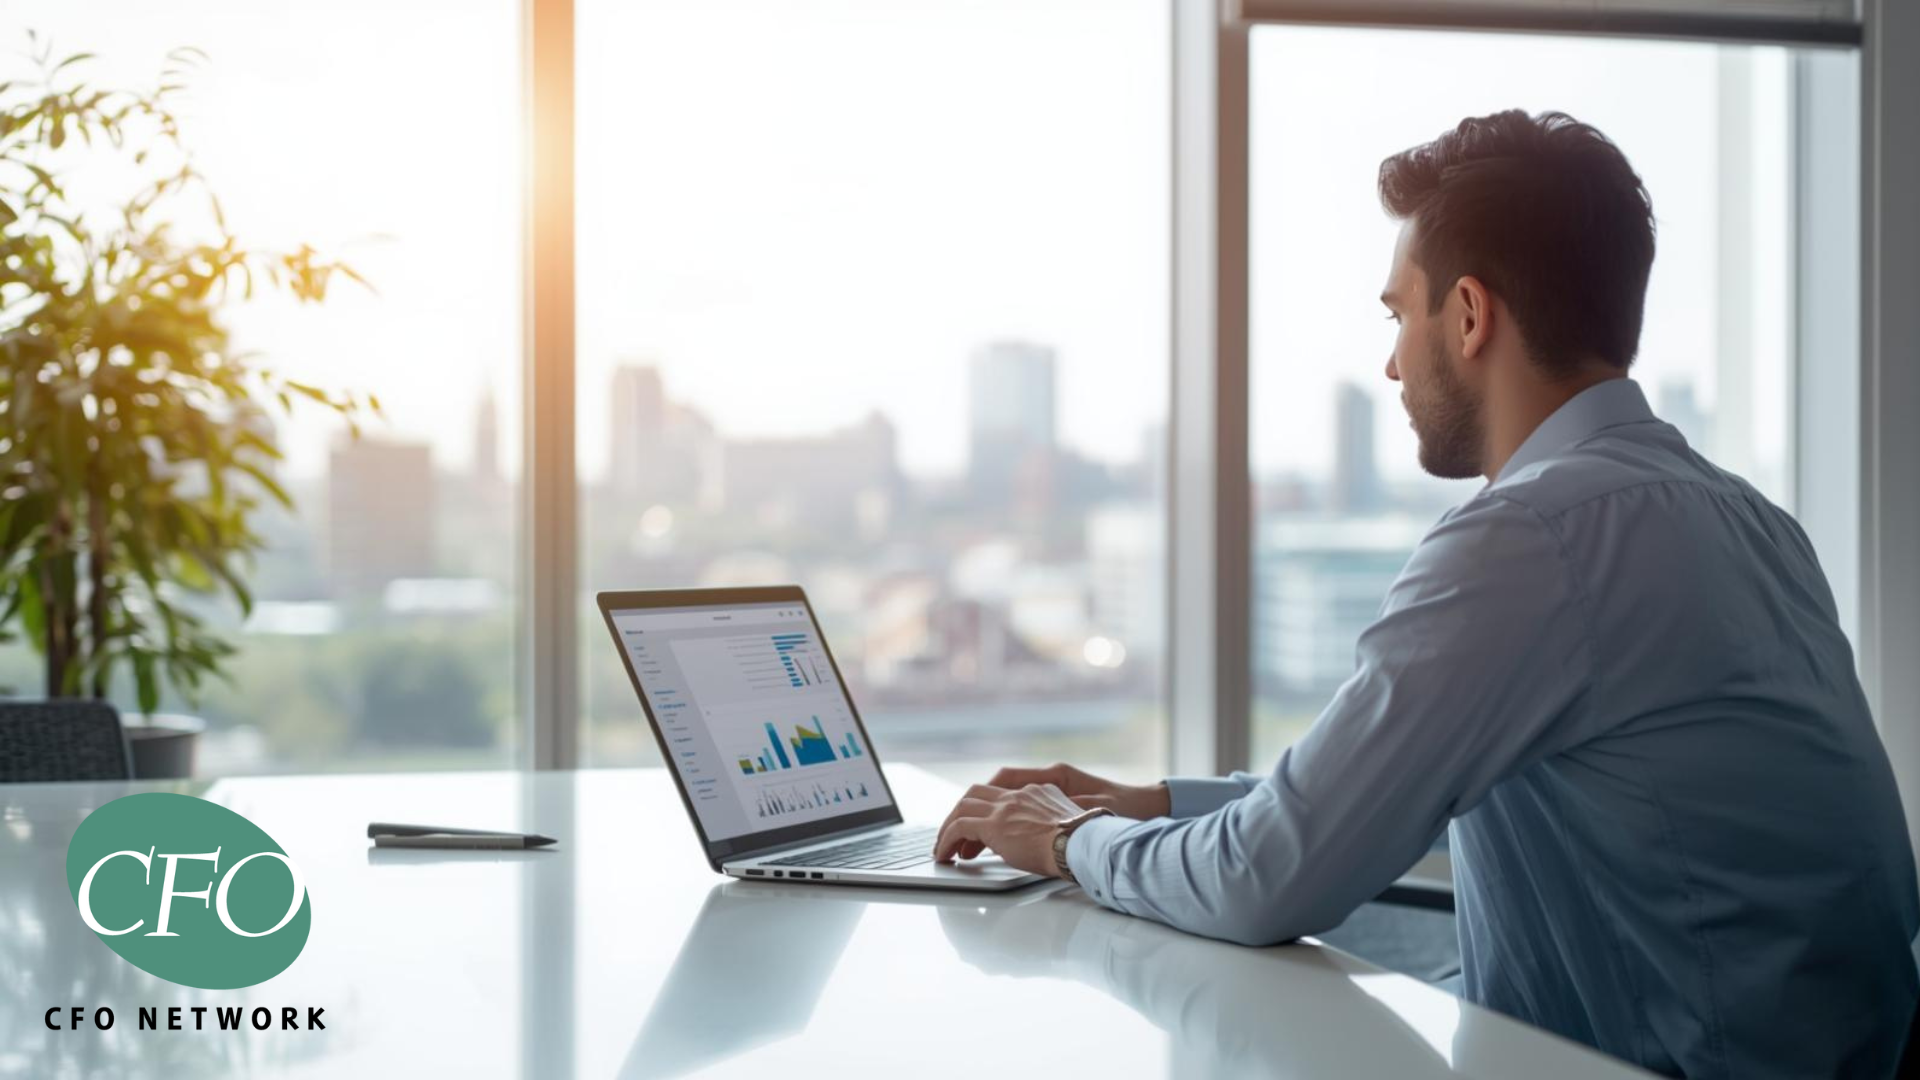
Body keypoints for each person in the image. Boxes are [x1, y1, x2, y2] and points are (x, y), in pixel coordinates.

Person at [931, 109, 1920, 1078]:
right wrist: (1153, 803)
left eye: (1401, 315)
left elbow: (1271, 878)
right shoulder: (1743, 517)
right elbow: (1455, 784)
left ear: (1471, 315)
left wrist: (1070, 838)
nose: (1393, 361)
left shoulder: (1530, 540)